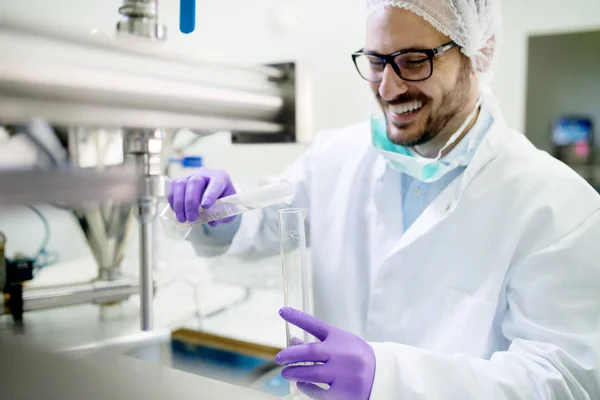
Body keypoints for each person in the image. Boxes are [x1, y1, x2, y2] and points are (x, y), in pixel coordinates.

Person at [168, 0, 600, 398]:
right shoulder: (335, 157)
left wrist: (390, 378)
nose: (389, 88)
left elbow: (561, 380)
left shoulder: (557, 205)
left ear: (478, 52)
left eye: (414, 61)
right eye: (376, 62)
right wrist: (225, 213)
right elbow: (267, 224)